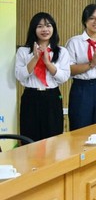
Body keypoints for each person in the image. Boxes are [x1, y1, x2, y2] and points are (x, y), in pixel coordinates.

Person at [15, 12, 71, 142]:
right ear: (33, 29)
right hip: (31, 97)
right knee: (29, 138)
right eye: (40, 26)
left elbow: (64, 77)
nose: (45, 29)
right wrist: (35, 58)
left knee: (53, 139)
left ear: (53, 28)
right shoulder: (23, 51)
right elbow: (20, 76)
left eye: (48, 26)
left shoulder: (61, 51)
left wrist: (47, 62)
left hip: (52, 97)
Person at [66, 4, 96, 130]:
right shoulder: (74, 42)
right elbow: (69, 69)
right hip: (81, 88)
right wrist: (90, 65)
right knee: (80, 127)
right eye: (92, 18)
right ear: (85, 21)